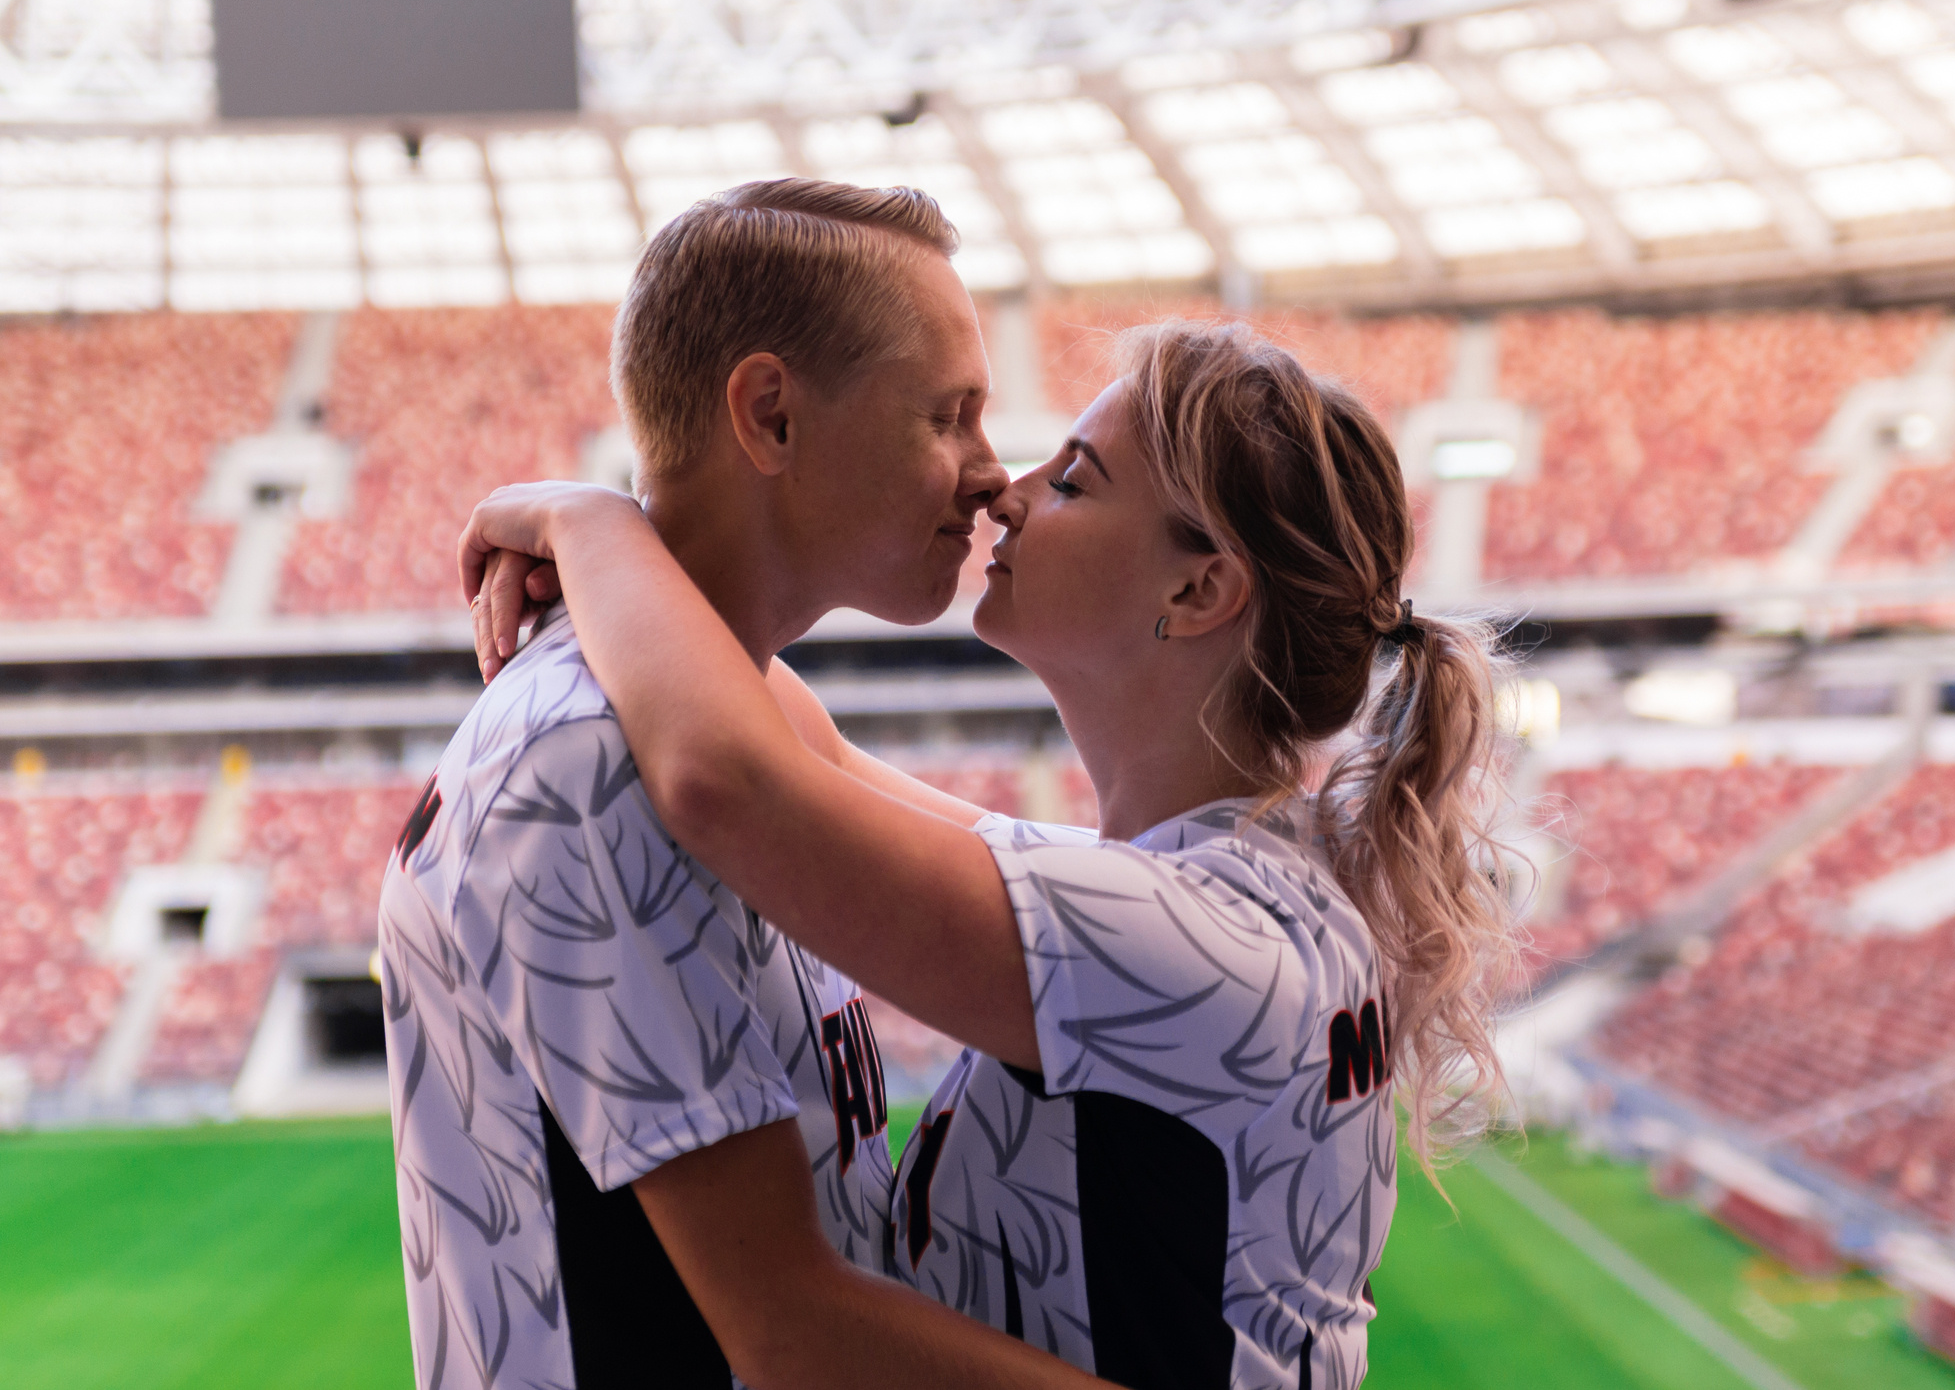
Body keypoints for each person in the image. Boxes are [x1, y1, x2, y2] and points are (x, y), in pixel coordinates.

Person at [462, 318, 1519, 1390]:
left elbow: (724, 780)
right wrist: (652, 546)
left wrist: (587, 521)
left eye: (1074, 480)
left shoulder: (1190, 940)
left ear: (1197, 591)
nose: (1005, 493)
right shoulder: (1218, 891)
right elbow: (800, 745)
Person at [378, 178, 1112, 1390]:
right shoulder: (585, 765)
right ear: (769, 415)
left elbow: (1052, 898)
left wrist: (588, 517)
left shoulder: (749, 716)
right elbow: (787, 1334)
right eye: (950, 414)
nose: (992, 474)